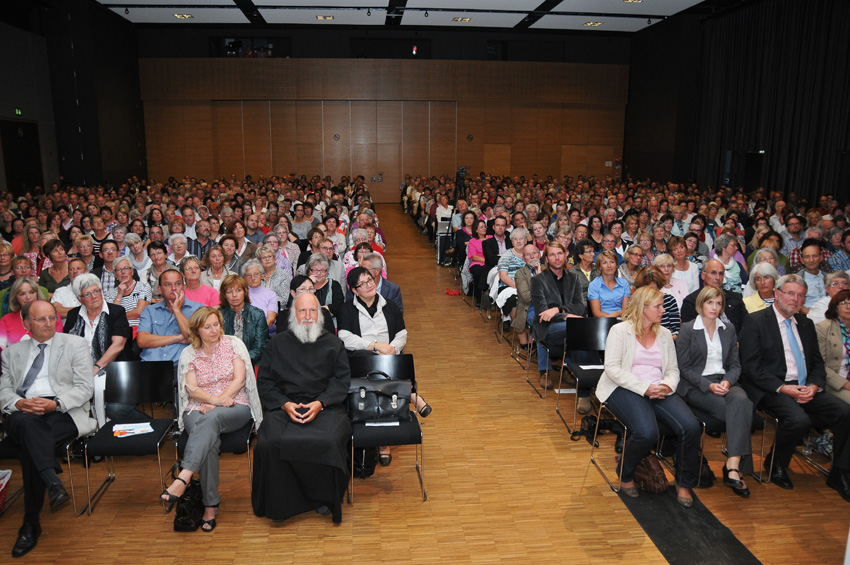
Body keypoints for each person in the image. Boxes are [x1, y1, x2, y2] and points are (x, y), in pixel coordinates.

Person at [739, 274, 850, 501]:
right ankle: (776, 463)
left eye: (800, 295)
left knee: (845, 413)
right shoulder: (756, 321)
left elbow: (818, 364)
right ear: (778, 294)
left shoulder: (806, 324)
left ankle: (839, 472)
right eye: (790, 293)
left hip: (805, 386)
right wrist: (782, 388)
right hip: (772, 388)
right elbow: (751, 367)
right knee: (799, 420)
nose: (795, 299)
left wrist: (814, 385)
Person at [0, 300, 94, 557]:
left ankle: (31, 523)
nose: (49, 324)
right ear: (26, 324)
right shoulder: (11, 354)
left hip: (62, 412)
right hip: (22, 413)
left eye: (52, 318)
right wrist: (19, 402)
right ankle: (52, 481)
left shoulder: (75, 345)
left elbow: (85, 387)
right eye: (41, 320)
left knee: (31, 445)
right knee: (28, 424)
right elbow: (3, 390)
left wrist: (55, 404)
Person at [595, 286, 701, 507]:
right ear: (643, 308)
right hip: (623, 387)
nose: (663, 310)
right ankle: (625, 474)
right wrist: (645, 388)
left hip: (658, 388)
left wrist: (665, 385)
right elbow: (612, 369)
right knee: (646, 432)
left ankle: (684, 483)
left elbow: (673, 370)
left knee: (690, 426)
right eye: (658, 306)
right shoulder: (620, 331)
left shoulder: (663, 334)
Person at [159, 307, 262, 532]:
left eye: (216, 324)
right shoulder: (189, 352)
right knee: (210, 440)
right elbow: (192, 389)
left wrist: (216, 402)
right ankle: (209, 505)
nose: (214, 330)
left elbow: (239, 380)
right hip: (198, 405)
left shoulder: (233, 344)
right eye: (207, 327)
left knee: (210, 422)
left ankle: (184, 477)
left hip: (234, 403)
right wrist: (212, 400)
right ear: (197, 330)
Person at [252, 292, 351, 524]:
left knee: (328, 441)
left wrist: (321, 403)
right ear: (293, 315)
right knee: (268, 442)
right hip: (284, 406)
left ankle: (325, 498)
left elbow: (341, 381)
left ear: (320, 314)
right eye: (302, 311)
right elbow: (265, 382)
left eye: (312, 311)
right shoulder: (276, 344)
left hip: (326, 406)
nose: (307, 316)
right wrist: (285, 404)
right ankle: (282, 503)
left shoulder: (334, 344)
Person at [676, 286, 753, 498]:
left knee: (743, 401)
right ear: (701, 304)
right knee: (736, 410)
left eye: (719, 303)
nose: (715, 307)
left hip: (724, 382)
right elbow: (683, 368)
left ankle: (732, 463)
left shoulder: (728, 329)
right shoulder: (688, 329)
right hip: (697, 385)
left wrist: (728, 382)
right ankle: (735, 469)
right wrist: (708, 385)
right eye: (710, 303)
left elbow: (735, 366)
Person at [63, 274, 136, 425]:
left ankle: (104, 428)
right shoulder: (72, 315)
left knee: (108, 400)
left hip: (114, 370)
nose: (94, 296)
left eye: (96, 291)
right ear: (79, 299)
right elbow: (66, 346)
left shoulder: (116, 312)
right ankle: (85, 430)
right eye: (87, 294)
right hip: (80, 370)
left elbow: (118, 345)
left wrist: (96, 368)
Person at [530, 241, 587, 390]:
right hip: (545, 326)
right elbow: (542, 312)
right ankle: (545, 371)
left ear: (565, 255)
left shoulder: (574, 278)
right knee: (577, 326)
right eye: (552, 255)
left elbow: (580, 307)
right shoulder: (538, 280)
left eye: (560, 253)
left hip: (569, 324)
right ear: (546, 259)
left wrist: (559, 310)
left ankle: (571, 368)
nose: (557, 258)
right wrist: (567, 316)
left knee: (578, 328)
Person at [137, 269, 201, 381]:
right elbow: (142, 341)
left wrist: (177, 310)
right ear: (160, 289)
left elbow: (192, 337)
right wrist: (177, 338)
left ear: (184, 287)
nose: (173, 288)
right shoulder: (149, 311)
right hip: (150, 367)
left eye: (177, 284)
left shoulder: (198, 310)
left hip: (182, 370)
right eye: (168, 284)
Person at [680, 259, 746, 333]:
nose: (717, 277)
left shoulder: (735, 298)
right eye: (713, 273)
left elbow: (746, 325)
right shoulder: (691, 301)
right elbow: (691, 333)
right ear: (703, 275)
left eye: (721, 274)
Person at [219, 274, 269, 367]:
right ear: (224, 295)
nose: (234, 295)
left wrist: (239, 361)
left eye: (238, 290)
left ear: (245, 292)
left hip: (250, 364)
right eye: (229, 292)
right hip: (223, 364)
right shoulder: (218, 315)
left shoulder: (257, 315)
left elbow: (259, 347)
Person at [0, 278, 63, 349]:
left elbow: (58, 344)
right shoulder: (6, 320)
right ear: (16, 298)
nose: (28, 297)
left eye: (32, 292)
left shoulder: (52, 316)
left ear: (37, 294)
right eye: (22, 294)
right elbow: (1, 349)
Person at [816, 290, 850, 405]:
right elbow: (819, 364)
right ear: (835, 307)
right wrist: (845, 384)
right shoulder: (823, 328)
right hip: (835, 383)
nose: (848, 307)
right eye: (844, 303)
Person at [588, 250, 630, 319]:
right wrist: (612, 317)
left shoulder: (624, 283)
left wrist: (616, 314)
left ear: (616, 265)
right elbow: (597, 313)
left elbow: (625, 310)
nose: (609, 266)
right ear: (600, 267)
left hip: (621, 320)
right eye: (605, 263)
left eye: (612, 262)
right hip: (602, 321)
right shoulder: (594, 285)